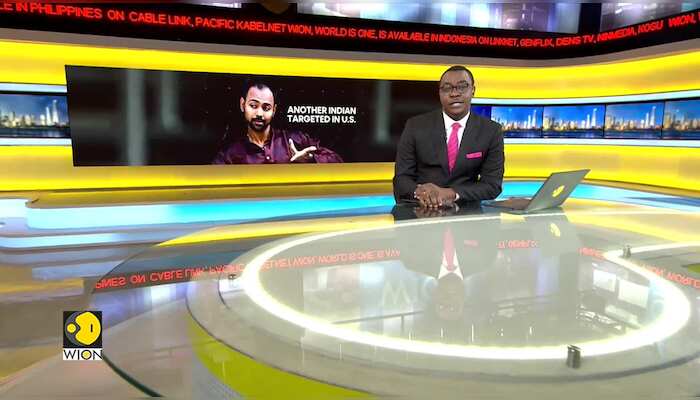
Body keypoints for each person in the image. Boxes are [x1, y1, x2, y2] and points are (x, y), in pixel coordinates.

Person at [393, 65, 504, 208]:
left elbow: (492, 185)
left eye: (462, 87)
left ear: (473, 90)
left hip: (467, 211)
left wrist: (451, 193)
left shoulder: (491, 131)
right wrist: (420, 192)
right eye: (447, 88)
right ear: (439, 93)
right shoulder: (415, 126)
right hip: (421, 209)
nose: (454, 93)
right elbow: (401, 179)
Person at [213, 81, 343, 164]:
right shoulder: (229, 154)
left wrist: (311, 159)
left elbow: (337, 160)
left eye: (266, 108)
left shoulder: (295, 139)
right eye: (253, 106)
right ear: (242, 105)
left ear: (274, 110)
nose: (259, 113)